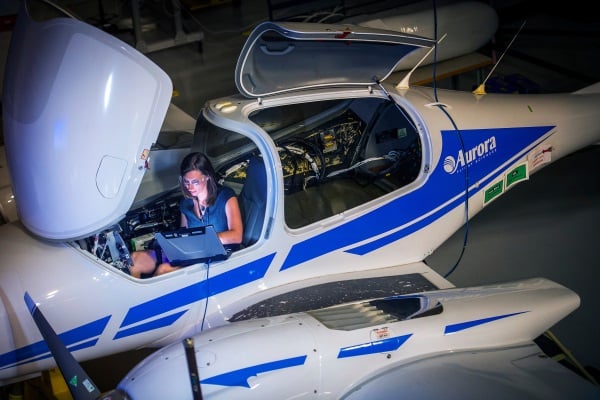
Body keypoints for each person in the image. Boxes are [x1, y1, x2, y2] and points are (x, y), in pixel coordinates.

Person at [130, 152, 243, 278]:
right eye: (186, 182)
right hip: (191, 252)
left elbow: (237, 236)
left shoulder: (226, 196)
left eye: (195, 182)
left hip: (218, 254)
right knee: (136, 258)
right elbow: (184, 231)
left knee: (163, 270)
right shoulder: (185, 203)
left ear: (207, 177)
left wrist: (203, 239)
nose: (190, 187)